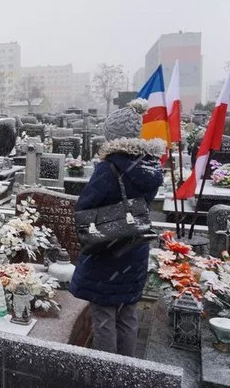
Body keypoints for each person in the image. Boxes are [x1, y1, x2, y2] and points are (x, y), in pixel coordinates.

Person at [69, 99, 164, 357]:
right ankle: (128, 368)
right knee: (128, 311)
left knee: (103, 315)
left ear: (111, 135)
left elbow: (85, 205)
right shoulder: (150, 165)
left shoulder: (109, 167)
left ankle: (108, 371)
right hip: (134, 245)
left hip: (109, 247)